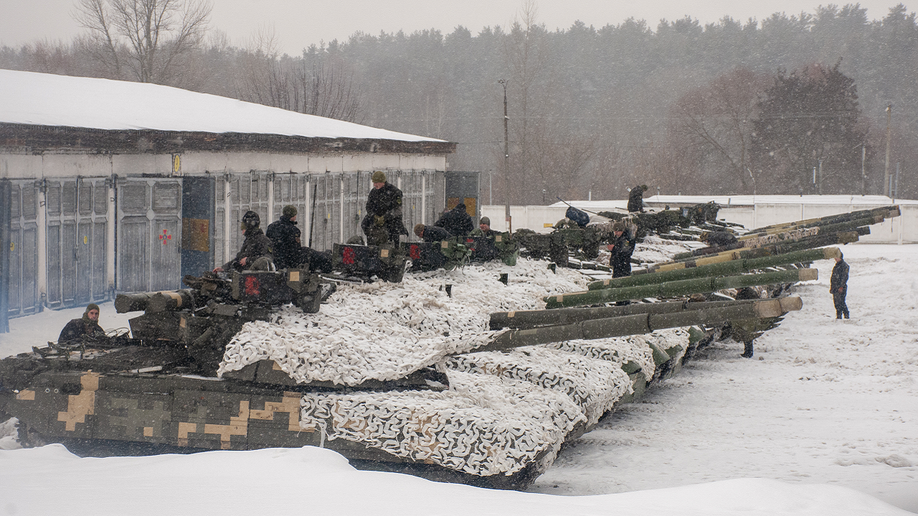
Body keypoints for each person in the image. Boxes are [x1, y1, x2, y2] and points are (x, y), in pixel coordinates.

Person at [266, 205, 333, 272]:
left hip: (275, 259)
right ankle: (328, 261)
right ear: (293, 216)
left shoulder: (271, 227)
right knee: (312, 254)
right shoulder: (293, 230)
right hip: (289, 261)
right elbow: (295, 251)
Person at [361, 171, 408, 246]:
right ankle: (372, 244)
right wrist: (374, 216)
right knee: (365, 223)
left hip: (391, 219)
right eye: (374, 182)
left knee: (394, 230)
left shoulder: (394, 192)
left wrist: (385, 218)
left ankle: (393, 248)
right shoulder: (373, 192)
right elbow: (368, 206)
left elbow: (397, 210)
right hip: (376, 216)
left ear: (382, 181)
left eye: (376, 182)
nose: (374, 185)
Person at [830, 252, 850, 319]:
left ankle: (846, 315)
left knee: (841, 302)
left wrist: (841, 286)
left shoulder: (844, 266)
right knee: (836, 302)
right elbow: (833, 277)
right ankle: (838, 315)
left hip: (841, 287)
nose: (835, 259)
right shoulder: (836, 266)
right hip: (835, 287)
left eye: (837, 257)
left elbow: (844, 277)